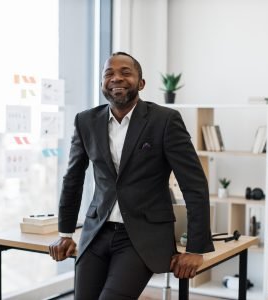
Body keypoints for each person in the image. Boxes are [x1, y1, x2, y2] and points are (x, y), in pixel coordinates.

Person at [49, 52, 214, 300]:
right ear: (103, 83)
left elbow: (194, 185)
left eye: (126, 72)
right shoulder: (86, 121)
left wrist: (195, 249)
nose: (116, 78)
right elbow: (73, 178)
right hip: (96, 232)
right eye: (109, 73)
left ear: (141, 83)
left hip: (143, 236)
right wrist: (65, 233)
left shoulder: (165, 121)